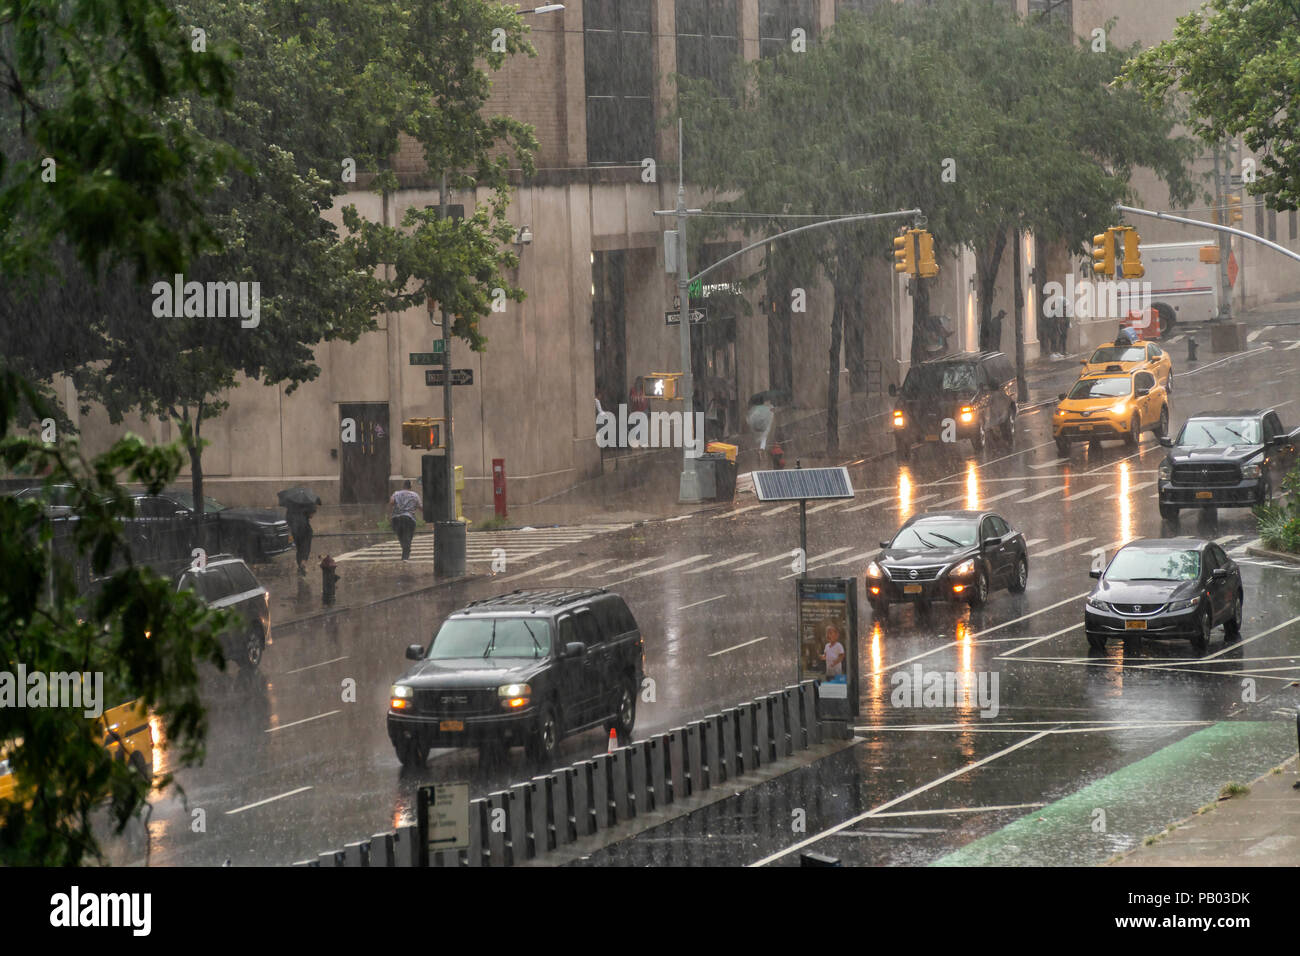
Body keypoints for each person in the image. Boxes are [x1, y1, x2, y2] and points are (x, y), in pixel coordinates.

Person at [389, 480, 422, 561]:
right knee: (408, 537)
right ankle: (405, 555)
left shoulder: (396, 493)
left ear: (403, 485)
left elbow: (391, 502)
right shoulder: (415, 495)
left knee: (401, 536)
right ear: (410, 486)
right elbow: (420, 506)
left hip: (396, 518)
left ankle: (405, 550)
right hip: (409, 519)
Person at [284, 498, 316, 576]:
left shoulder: (291, 504)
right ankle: (303, 563)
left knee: (299, 548)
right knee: (305, 547)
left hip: (295, 530)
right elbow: (311, 515)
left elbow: (287, 518)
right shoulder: (308, 502)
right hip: (305, 528)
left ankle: (300, 565)